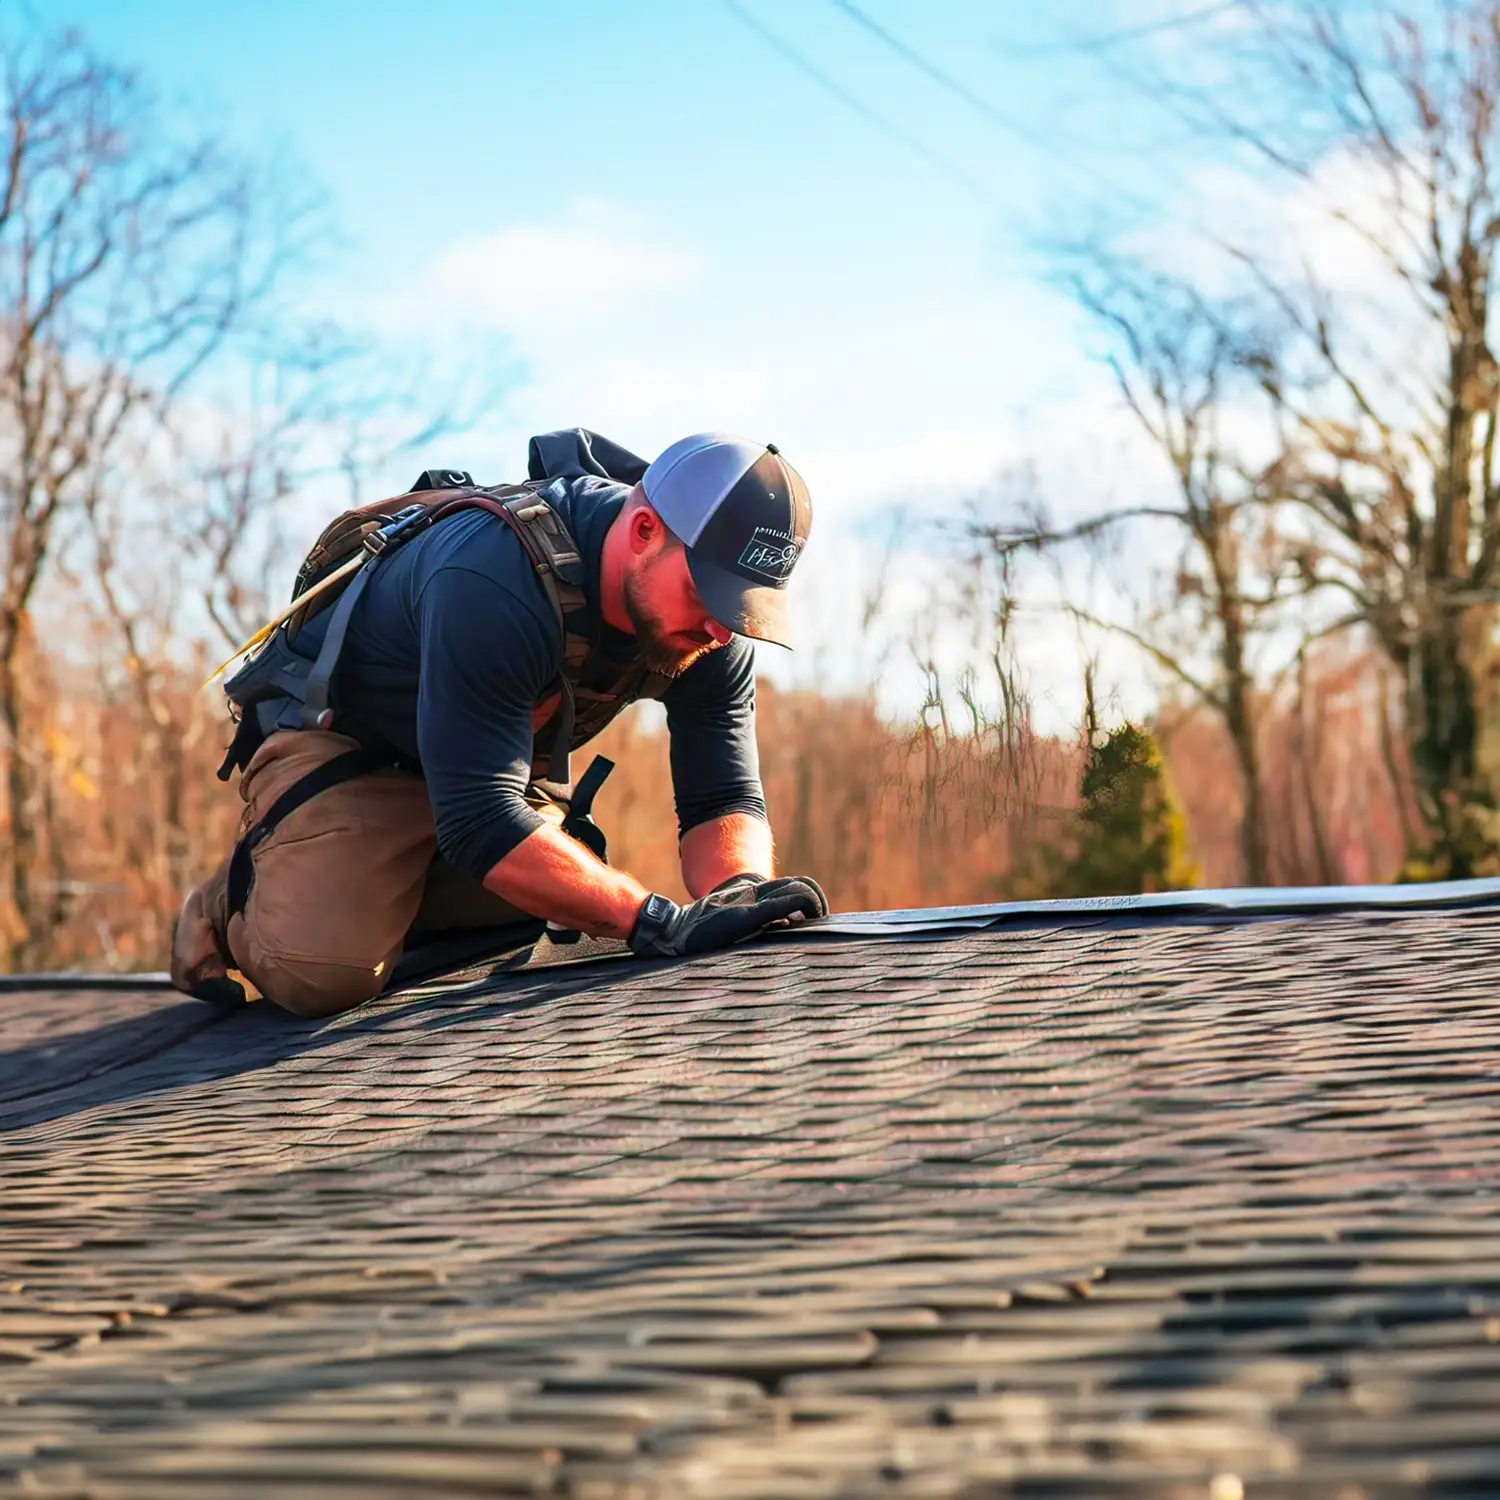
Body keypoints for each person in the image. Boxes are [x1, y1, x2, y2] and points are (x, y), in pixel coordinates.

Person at [169, 429, 828, 1018]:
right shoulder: (494, 575)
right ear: (645, 531)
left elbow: (722, 799)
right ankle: (236, 896)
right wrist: (653, 920)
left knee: (546, 911)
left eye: (742, 605)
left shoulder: (712, 626)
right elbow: (480, 821)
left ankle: (378, 889)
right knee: (323, 969)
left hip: (490, 766)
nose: (721, 626)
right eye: (706, 594)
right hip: (350, 752)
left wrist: (739, 898)